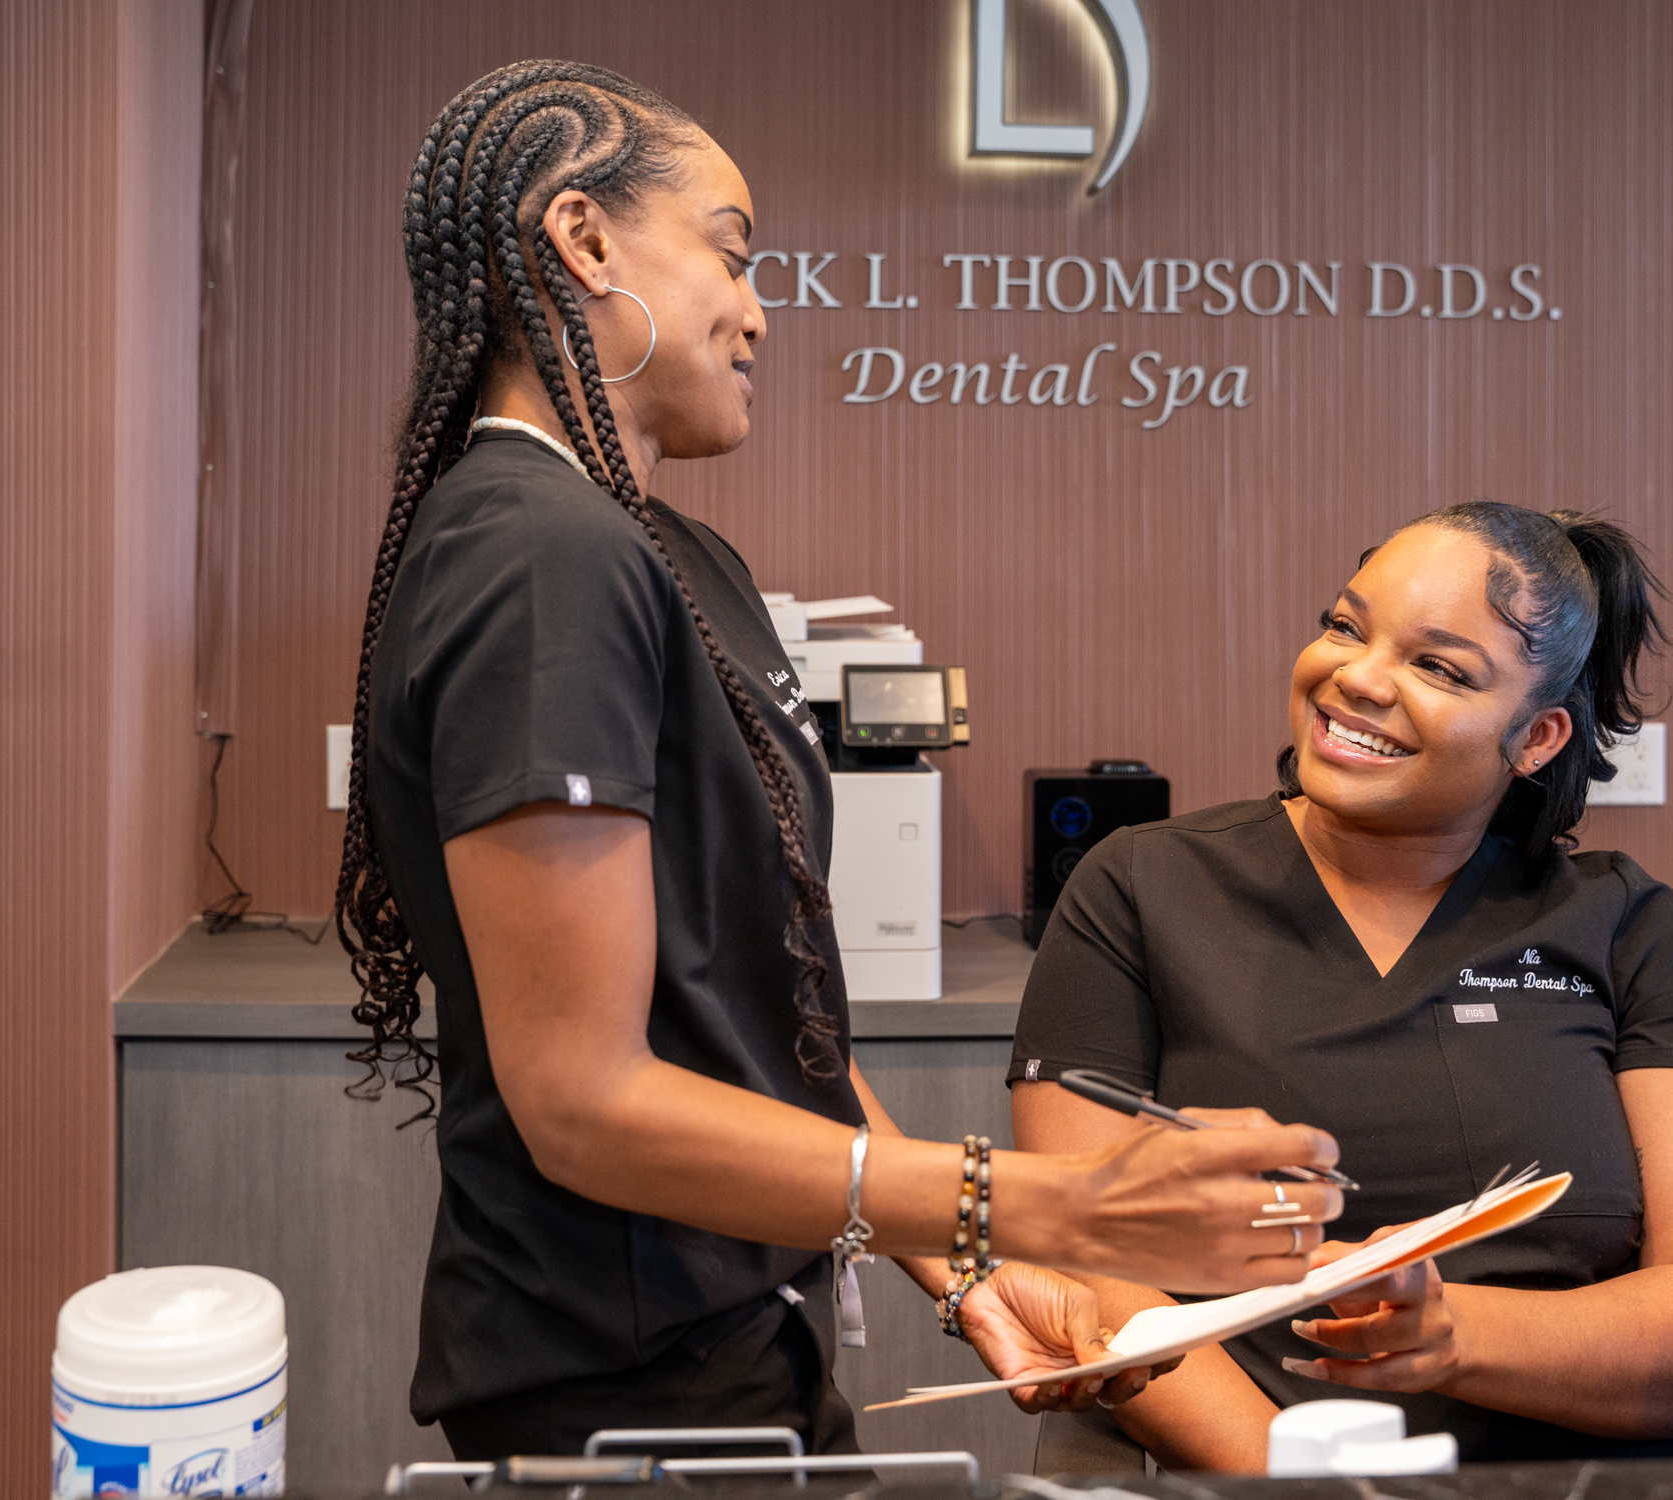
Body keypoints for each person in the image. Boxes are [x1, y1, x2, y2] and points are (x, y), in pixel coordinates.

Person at [332, 61, 1344, 1460]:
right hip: (620, 1377)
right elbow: (579, 1102)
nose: (757, 313)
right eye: (731, 257)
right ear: (583, 239)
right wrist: (1051, 1208)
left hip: (752, 1322)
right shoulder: (532, 554)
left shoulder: (670, 558)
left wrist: (971, 1270)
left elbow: (764, 1014)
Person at [1010, 503, 1673, 1466]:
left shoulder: (1629, 927)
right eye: (1345, 626)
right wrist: (1300, 1475)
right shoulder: (1142, 887)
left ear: (1538, 736)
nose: (1355, 678)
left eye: (1438, 667)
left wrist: (1447, 1334)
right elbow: (1087, 1258)